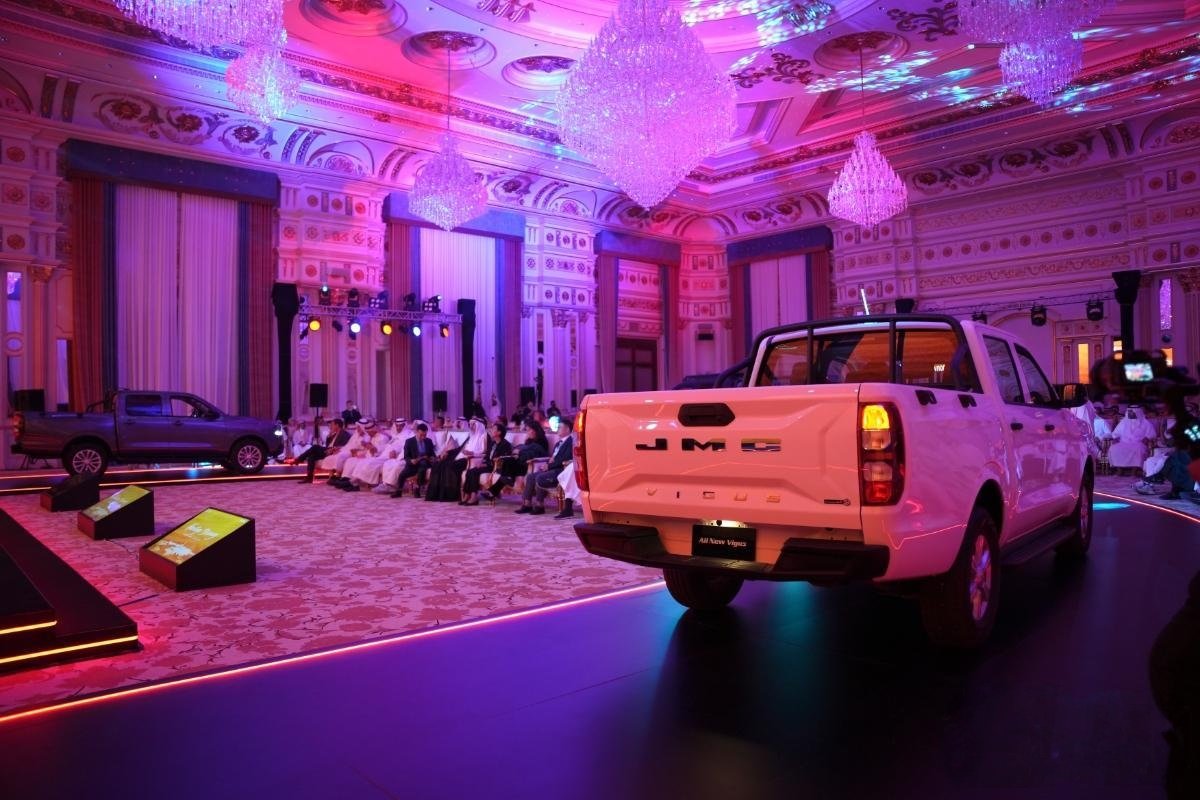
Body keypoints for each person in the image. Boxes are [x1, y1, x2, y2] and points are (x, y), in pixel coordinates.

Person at [516, 415, 573, 515]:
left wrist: (549, 466)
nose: (557, 429)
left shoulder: (571, 442)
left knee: (540, 477)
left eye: (560, 427)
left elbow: (565, 459)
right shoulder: (559, 443)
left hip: (561, 470)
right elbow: (553, 458)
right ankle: (527, 504)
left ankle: (540, 505)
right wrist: (547, 464)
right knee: (531, 476)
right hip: (553, 468)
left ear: (567, 429)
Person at [485, 419, 548, 500]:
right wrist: (517, 453)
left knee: (508, 463)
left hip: (529, 465)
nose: (527, 432)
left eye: (529, 430)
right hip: (521, 463)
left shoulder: (541, 442)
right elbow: (524, 450)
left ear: (535, 430)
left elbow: (534, 454)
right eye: (527, 430)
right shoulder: (529, 442)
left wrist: (519, 453)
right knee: (506, 461)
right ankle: (493, 492)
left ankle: (494, 491)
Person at [461, 422, 512, 506]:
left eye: (493, 429)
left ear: (499, 432)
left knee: (474, 472)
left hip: (497, 467)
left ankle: (474, 497)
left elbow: (503, 460)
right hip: (489, 465)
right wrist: (483, 463)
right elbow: (487, 457)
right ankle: (467, 495)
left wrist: (488, 464)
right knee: (470, 471)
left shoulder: (505, 445)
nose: (491, 430)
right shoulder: (493, 443)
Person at [392, 422, 436, 497]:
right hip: (413, 464)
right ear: (416, 432)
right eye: (421, 435)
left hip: (425, 463)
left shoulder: (428, 441)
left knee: (422, 467)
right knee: (402, 475)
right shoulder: (409, 442)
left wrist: (432, 458)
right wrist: (411, 461)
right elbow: (406, 456)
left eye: (425, 435)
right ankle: (398, 491)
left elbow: (432, 454)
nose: (423, 437)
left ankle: (417, 490)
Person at [1111, 406, 1158, 475]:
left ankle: (1134, 471)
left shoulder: (1145, 422)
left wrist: (1147, 438)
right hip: (1124, 442)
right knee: (1114, 448)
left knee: (1139, 449)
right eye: (1129, 412)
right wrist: (1115, 438)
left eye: (1131, 412)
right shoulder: (1123, 422)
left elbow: (1152, 433)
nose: (1129, 413)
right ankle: (1119, 470)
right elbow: (1116, 433)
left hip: (1138, 443)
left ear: (1137, 413)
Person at [299, 418, 349, 483]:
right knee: (312, 456)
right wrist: (329, 436)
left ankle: (299, 459)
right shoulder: (334, 434)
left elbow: (345, 446)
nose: (331, 426)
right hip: (328, 450)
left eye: (332, 425)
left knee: (315, 447)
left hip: (333, 452)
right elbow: (328, 445)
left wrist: (333, 449)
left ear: (337, 425)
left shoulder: (345, 434)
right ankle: (309, 478)